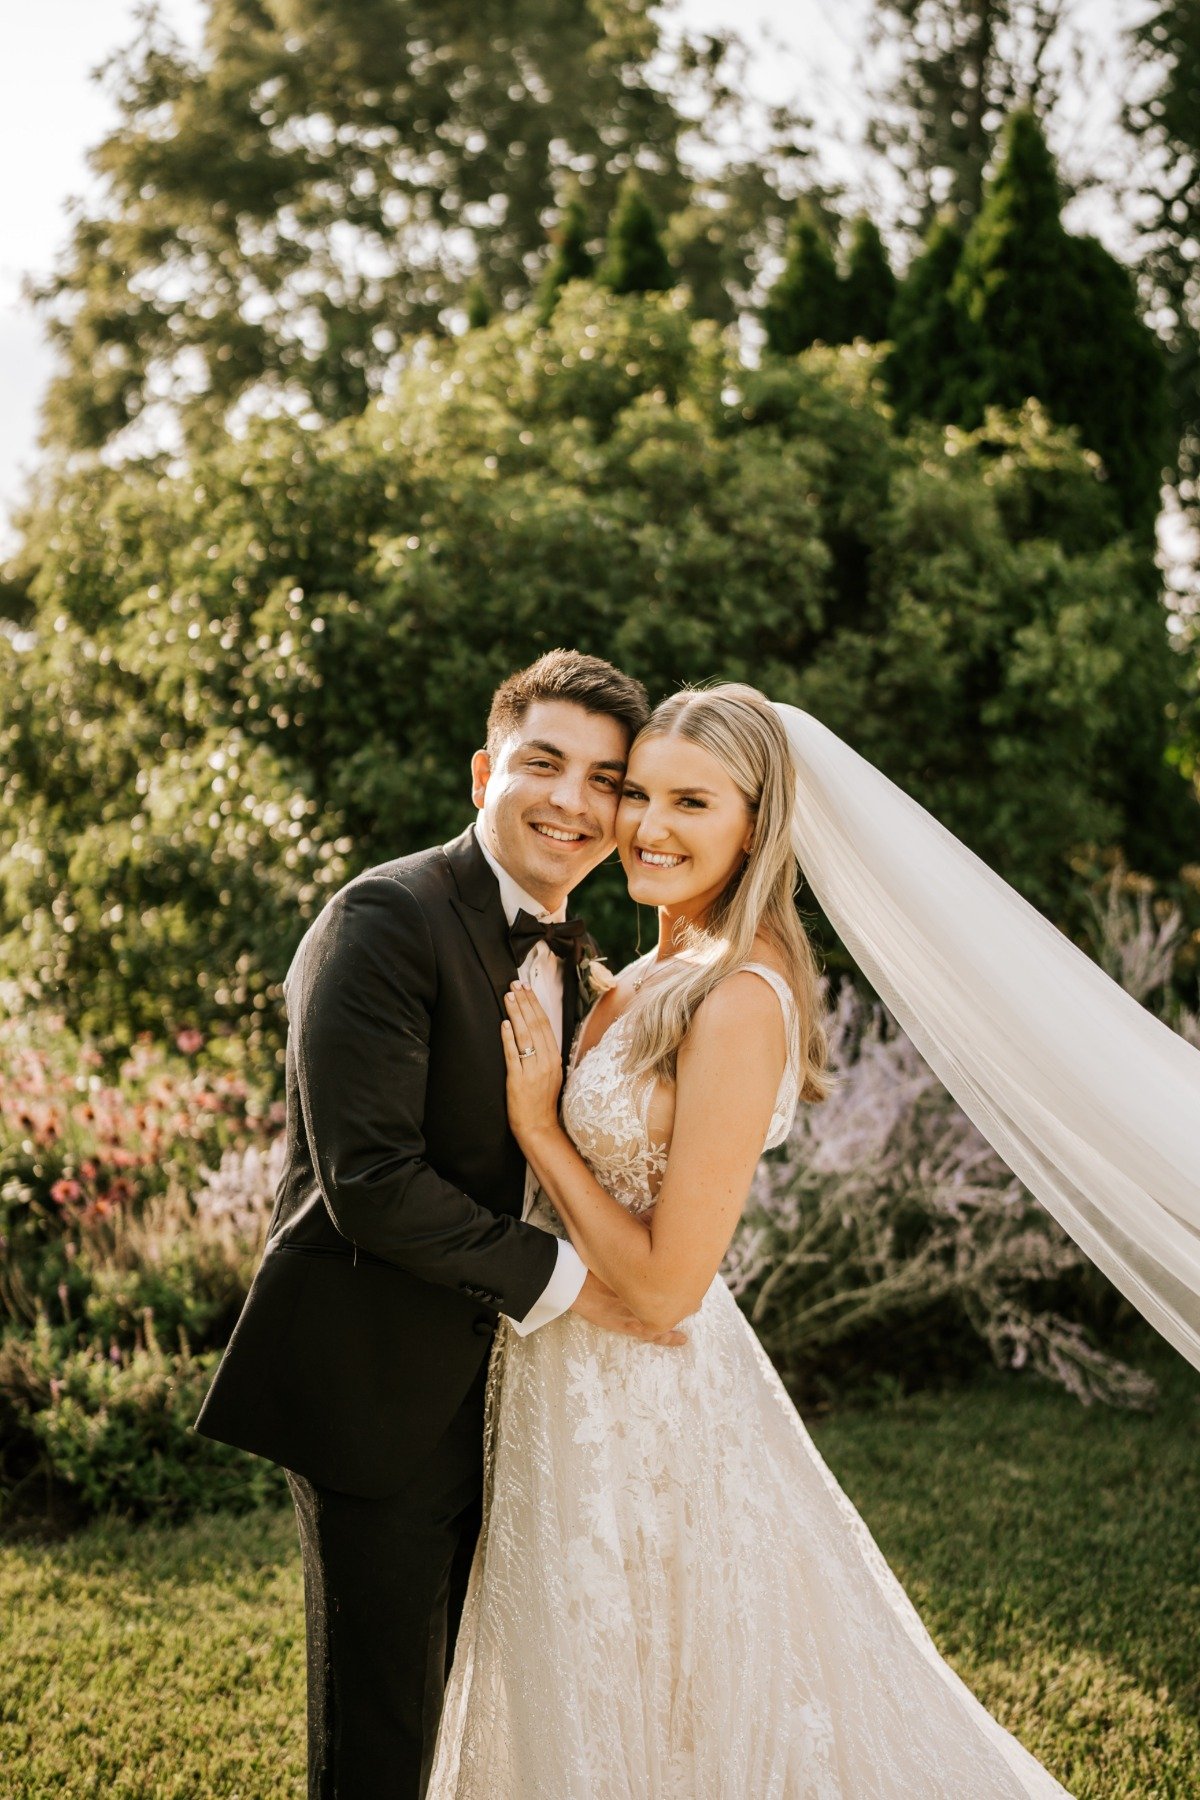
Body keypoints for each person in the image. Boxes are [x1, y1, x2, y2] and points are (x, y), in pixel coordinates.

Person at [428, 682, 1097, 1798]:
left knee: (675, 1704)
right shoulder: (649, 971)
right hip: (564, 1378)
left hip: (646, 1399)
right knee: (590, 1689)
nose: (647, 825)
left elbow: (666, 1287)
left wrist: (540, 1125)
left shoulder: (740, 995)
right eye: (638, 792)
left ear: (758, 823)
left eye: (693, 801)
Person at [194, 649, 686, 1800]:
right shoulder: (385, 916)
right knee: (382, 1732)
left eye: (605, 780)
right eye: (544, 763)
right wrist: (580, 1284)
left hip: (522, 1394)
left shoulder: (576, 954)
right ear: (484, 773)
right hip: (380, 1382)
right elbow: (369, 1178)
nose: (573, 800)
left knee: (485, 1709)